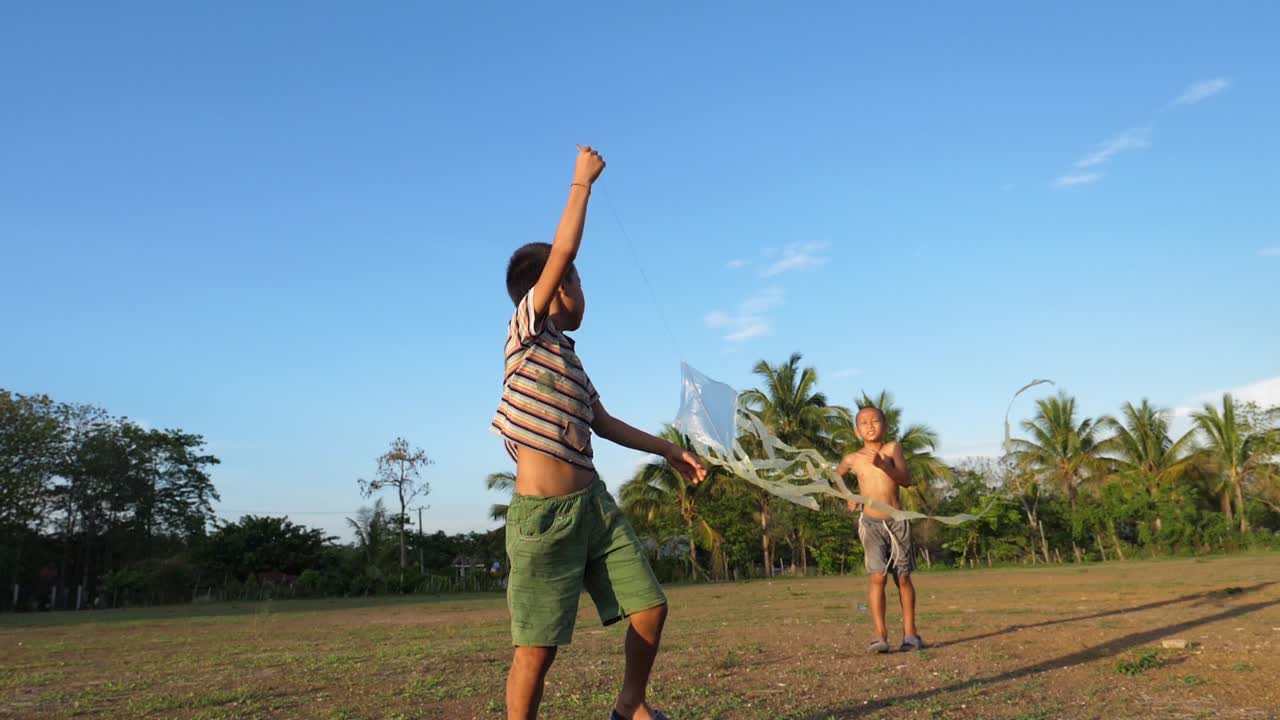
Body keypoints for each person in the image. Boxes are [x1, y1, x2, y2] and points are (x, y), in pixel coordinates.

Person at [491, 145, 707, 720]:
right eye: (575, 279)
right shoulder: (527, 335)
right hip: (542, 520)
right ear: (556, 288)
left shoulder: (570, 360)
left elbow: (603, 423)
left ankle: (629, 708)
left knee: (649, 607)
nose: (581, 289)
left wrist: (667, 449)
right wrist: (581, 184)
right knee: (536, 651)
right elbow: (561, 249)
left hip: (593, 507)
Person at [835, 406, 923, 653]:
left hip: (897, 521)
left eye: (875, 421)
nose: (870, 425)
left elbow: (906, 479)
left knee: (903, 578)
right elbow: (837, 475)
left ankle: (910, 634)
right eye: (864, 422)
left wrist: (884, 466)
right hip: (870, 524)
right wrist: (848, 495)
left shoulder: (892, 449)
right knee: (877, 578)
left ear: (886, 427)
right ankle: (880, 635)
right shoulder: (853, 458)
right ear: (856, 430)